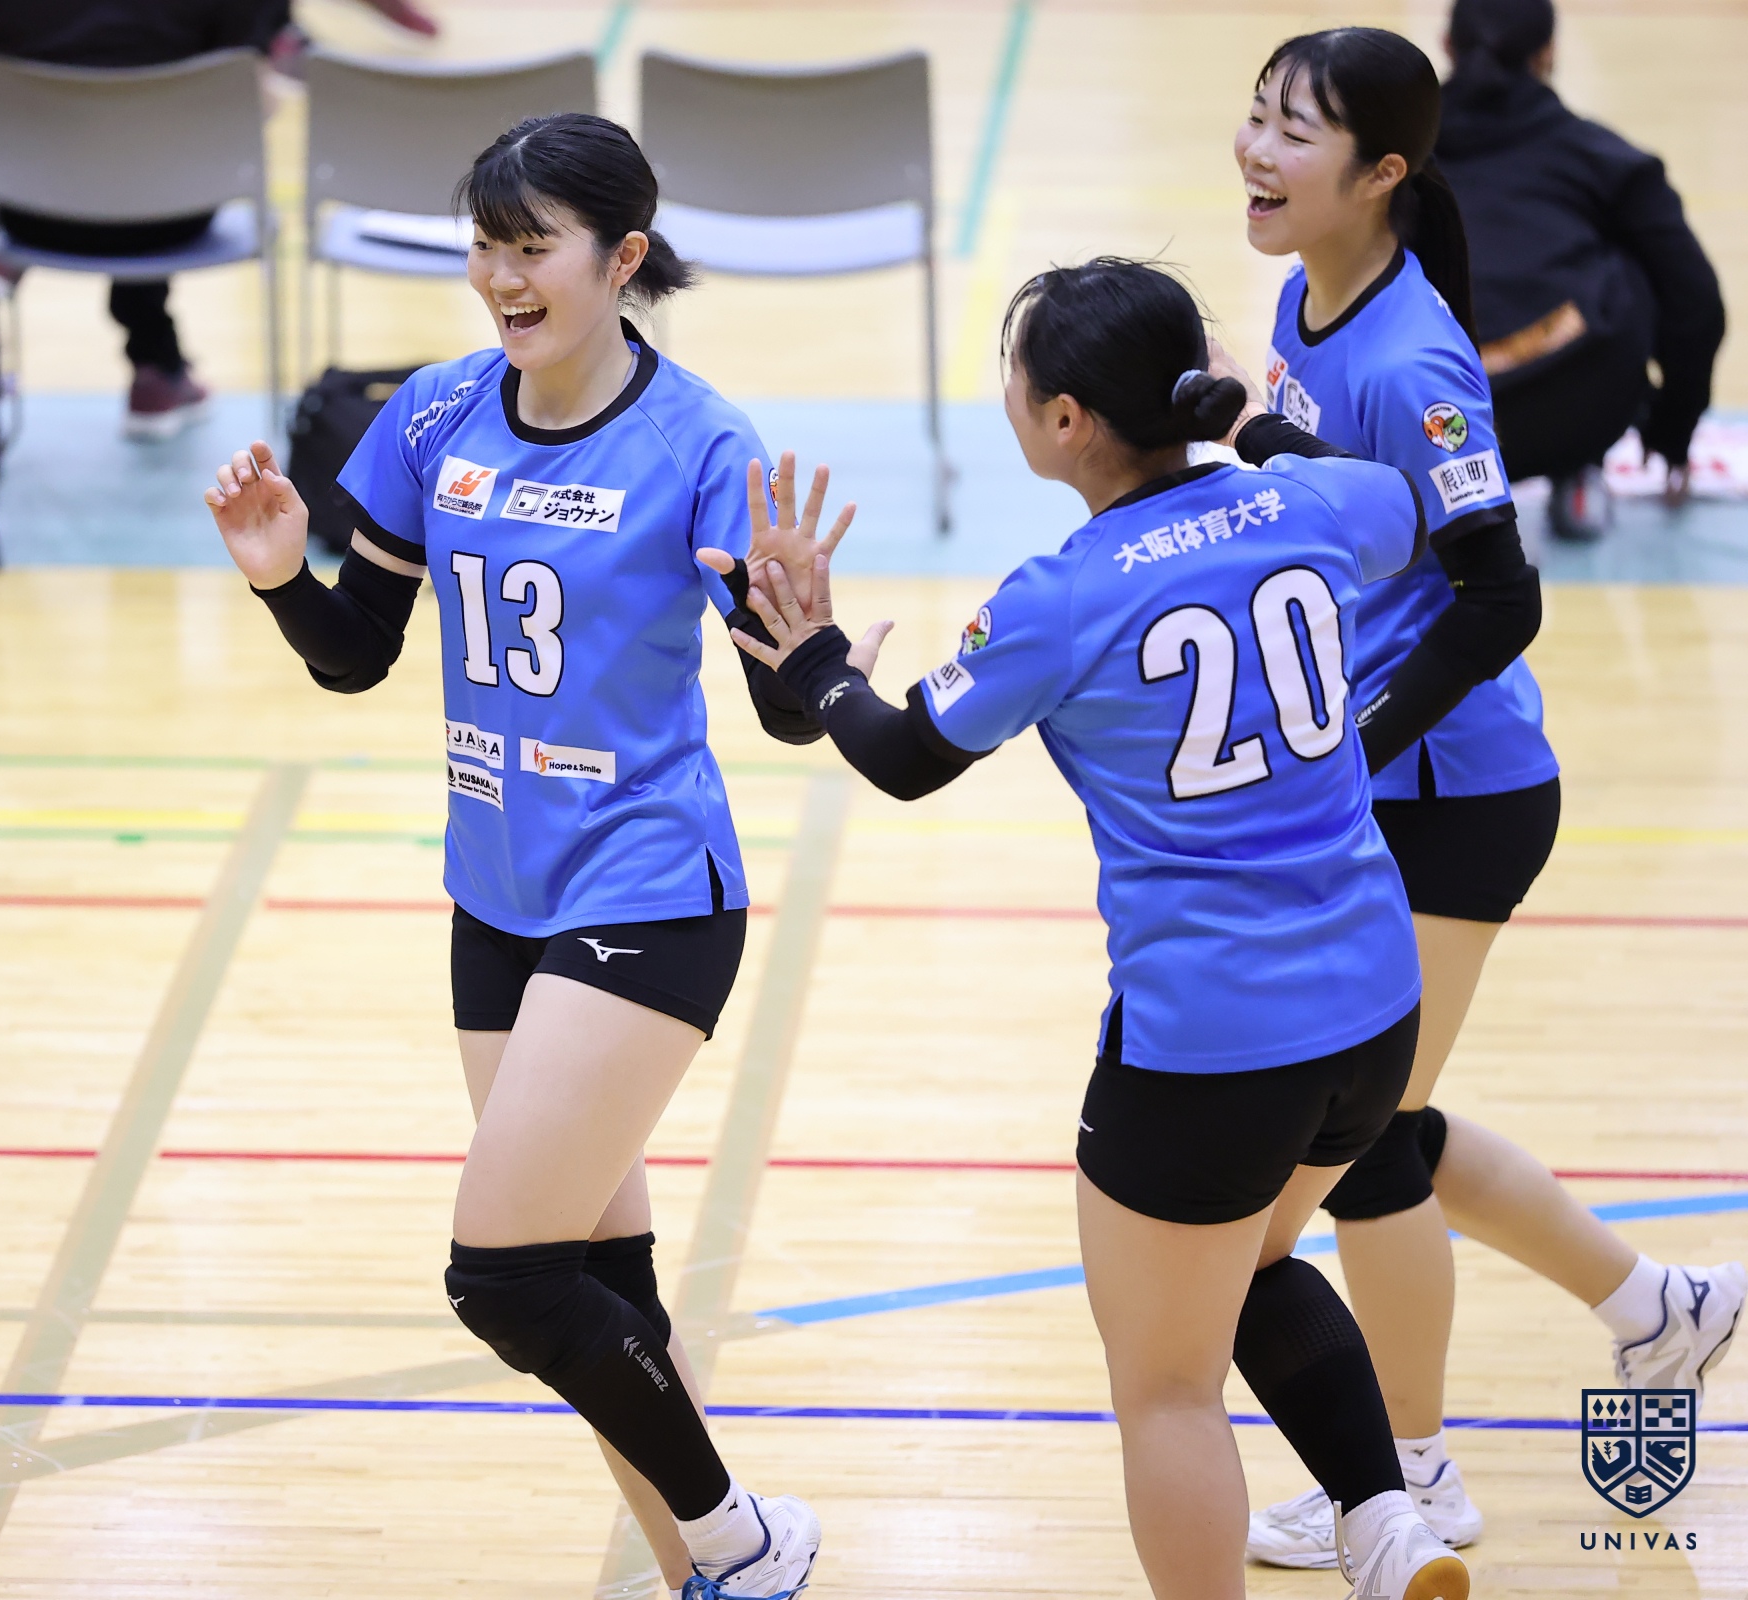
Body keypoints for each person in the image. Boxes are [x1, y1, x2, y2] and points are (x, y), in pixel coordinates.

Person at [726, 255, 1466, 1600]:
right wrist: (1252, 431)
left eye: (1016, 381)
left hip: (1210, 1041)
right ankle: (1383, 1521)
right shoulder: (1309, 505)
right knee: (1254, 1259)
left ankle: (1359, 1529)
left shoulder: (1061, 595)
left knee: (1166, 1383)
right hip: (1371, 1007)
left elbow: (904, 757)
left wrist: (819, 662)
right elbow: (1400, 503)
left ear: (1066, 419)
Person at [202, 112, 826, 1600]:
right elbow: (359, 653)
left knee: (503, 1274)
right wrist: (283, 578)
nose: (501, 277)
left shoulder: (701, 443)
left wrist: (804, 631)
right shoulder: (433, 416)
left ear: (623, 257)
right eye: (485, 245)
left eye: (534, 246)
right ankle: (711, 1570)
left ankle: (737, 1535)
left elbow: (787, 715)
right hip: (495, 897)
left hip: (650, 889)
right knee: (599, 1282)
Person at [1223, 26, 1744, 1570]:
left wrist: (1360, 734)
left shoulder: (1419, 359)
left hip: (1453, 796)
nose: (1257, 150)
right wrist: (1253, 440)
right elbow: (1353, 490)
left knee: (1362, 1148)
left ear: (1383, 172)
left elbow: (1499, 597)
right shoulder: (1308, 297)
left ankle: (1416, 1479)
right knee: (1390, 1126)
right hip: (1385, 790)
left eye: (1295, 131)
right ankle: (1659, 1307)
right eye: (1256, 115)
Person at [0, 0, 293, 440]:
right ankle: (157, 367)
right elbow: (252, 100)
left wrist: (46, 100)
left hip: (33, 212)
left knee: (112, 164)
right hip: (175, 216)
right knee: (138, 164)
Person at [1434, 0, 1726, 541]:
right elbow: (1697, 304)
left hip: (1430, 427)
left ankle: (1412, 497)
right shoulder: (1605, 159)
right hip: (1570, 416)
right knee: (1636, 266)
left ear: (1447, 46)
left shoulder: (1393, 158)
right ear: (1548, 54)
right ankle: (1579, 470)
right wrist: (1671, 429)